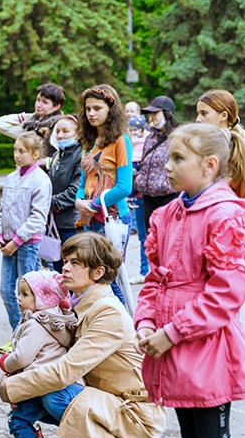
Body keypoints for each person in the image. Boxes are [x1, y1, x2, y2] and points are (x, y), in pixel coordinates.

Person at [135, 123, 245, 438]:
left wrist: (173, 331)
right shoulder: (167, 215)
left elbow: (227, 294)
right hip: (173, 343)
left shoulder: (228, 215)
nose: (166, 168)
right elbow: (154, 278)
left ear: (209, 165)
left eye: (176, 160)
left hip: (205, 345)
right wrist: (147, 320)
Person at [0, 232, 166, 438]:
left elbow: (66, 370)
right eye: (65, 261)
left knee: (54, 393)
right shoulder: (82, 304)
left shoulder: (107, 312)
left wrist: (11, 388)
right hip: (111, 402)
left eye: (75, 263)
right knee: (42, 393)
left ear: (97, 272)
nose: (64, 267)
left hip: (135, 415)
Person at [0, 270, 77, 438]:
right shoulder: (54, 319)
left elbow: (22, 357)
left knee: (18, 420)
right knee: (25, 417)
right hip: (48, 382)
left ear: (42, 299)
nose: (19, 298)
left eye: (25, 294)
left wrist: (5, 362)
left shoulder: (36, 324)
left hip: (38, 383)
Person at [74, 84, 134, 306]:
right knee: (92, 280)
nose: (91, 113)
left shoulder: (121, 141)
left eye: (97, 108)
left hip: (114, 220)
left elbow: (124, 187)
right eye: (88, 108)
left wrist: (93, 204)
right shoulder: (89, 143)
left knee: (112, 279)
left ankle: (126, 328)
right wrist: (80, 203)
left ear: (110, 109)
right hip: (89, 219)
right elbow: (83, 182)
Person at [0, 132, 51, 344]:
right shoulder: (11, 177)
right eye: (15, 150)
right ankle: (18, 334)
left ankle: (30, 337)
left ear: (35, 155)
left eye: (22, 151)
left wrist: (16, 241)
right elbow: (3, 210)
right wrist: (0, 235)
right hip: (8, 244)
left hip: (26, 245)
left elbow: (38, 217)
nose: (16, 155)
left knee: (26, 294)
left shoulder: (40, 180)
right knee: (5, 290)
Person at [136, 96, 181, 231]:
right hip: (148, 196)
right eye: (151, 113)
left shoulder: (178, 138)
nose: (152, 117)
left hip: (169, 197)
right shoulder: (150, 137)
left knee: (167, 236)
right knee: (150, 239)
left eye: (156, 113)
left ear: (167, 113)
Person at [46, 115, 82, 273]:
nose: (60, 135)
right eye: (58, 131)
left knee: (73, 270)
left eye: (66, 131)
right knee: (58, 271)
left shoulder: (81, 156)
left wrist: (49, 203)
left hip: (71, 223)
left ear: (78, 134)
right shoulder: (57, 155)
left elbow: (75, 190)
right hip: (54, 224)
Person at [0, 83, 66, 159]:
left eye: (45, 102)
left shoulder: (60, 126)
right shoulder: (29, 126)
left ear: (57, 106)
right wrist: (25, 116)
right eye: (38, 100)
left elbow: (63, 156)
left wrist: (46, 163)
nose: (38, 105)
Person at [127, 114, 150, 284]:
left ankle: (147, 270)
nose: (134, 133)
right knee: (140, 235)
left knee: (147, 236)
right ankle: (144, 270)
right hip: (130, 196)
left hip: (145, 196)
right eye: (132, 130)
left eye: (137, 130)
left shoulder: (147, 144)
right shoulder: (127, 145)